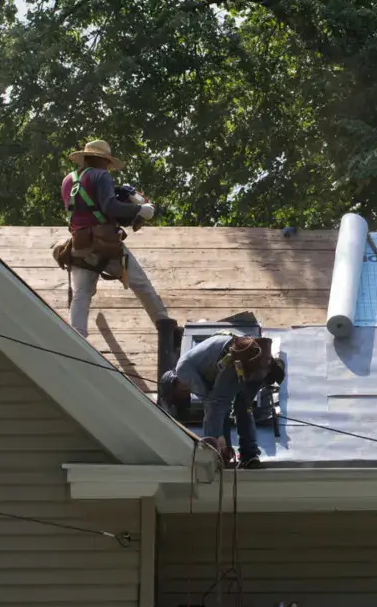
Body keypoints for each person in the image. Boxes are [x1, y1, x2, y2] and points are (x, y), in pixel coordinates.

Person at [59, 139, 172, 339]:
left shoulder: (68, 180)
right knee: (141, 284)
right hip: (106, 243)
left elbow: (84, 210)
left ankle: (76, 340)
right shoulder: (101, 176)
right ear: (103, 160)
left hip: (80, 244)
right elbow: (109, 207)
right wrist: (139, 209)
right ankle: (166, 330)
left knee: (81, 294)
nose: (109, 168)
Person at [160, 334, 284, 469]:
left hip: (237, 361)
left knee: (216, 406)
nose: (185, 396)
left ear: (174, 386)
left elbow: (212, 403)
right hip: (259, 365)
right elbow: (221, 404)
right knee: (244, 408)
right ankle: (249, 455)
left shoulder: (183, 370)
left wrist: (219, 441)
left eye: (177, 396)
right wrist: (226, 443)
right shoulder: (201, 366)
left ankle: (212, 456)